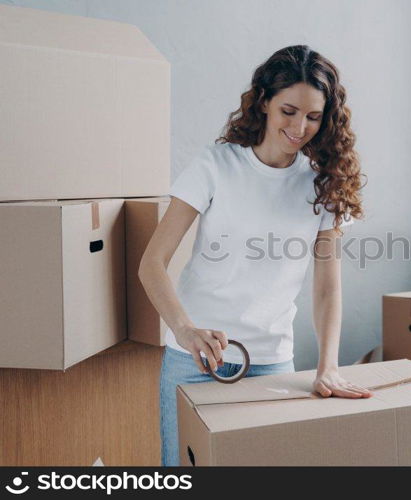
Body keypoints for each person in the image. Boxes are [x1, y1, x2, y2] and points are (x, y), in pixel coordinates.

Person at [138, 45, 372, 467]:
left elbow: (327, 287)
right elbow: (152, 263)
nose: (300, 127)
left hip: (272, 364)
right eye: (289, 110)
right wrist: (185, 329)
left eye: (314, 116)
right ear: (264, 101)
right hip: (193, 362)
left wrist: (328, 365)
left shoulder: (323, 186)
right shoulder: (215, 165)